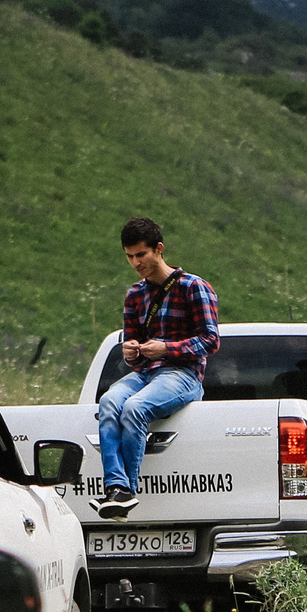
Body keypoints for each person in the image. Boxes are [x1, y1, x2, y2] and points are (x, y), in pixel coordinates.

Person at [95, 217, 218, 520]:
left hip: (183, 374)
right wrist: (131, 351)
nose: (135, 262)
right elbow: (132, 354)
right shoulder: (135, 295)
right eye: (129, 256)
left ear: (159, 249)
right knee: (109, 402)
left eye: (141, 254)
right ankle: (114, 487)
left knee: (135, 408)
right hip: (146, 372)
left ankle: (127, 490)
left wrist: (167, 348)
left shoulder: (194, 287)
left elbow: (211, 340)